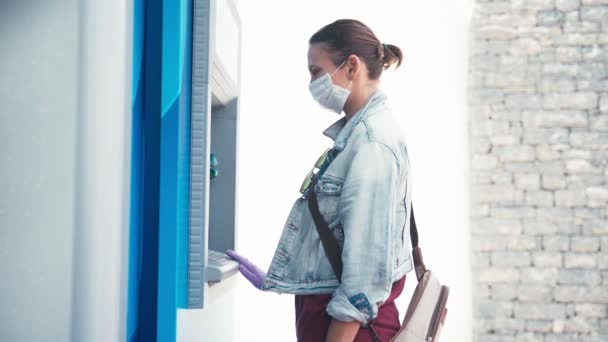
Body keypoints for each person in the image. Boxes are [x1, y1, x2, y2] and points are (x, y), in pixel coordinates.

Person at [226, 19, 414, 342]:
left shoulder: (372, 144)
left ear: (351, 67)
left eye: (316, 71)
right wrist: (282, 279)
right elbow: (339, 243)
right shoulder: (360, 135)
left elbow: (364, 281)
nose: (311, 82)